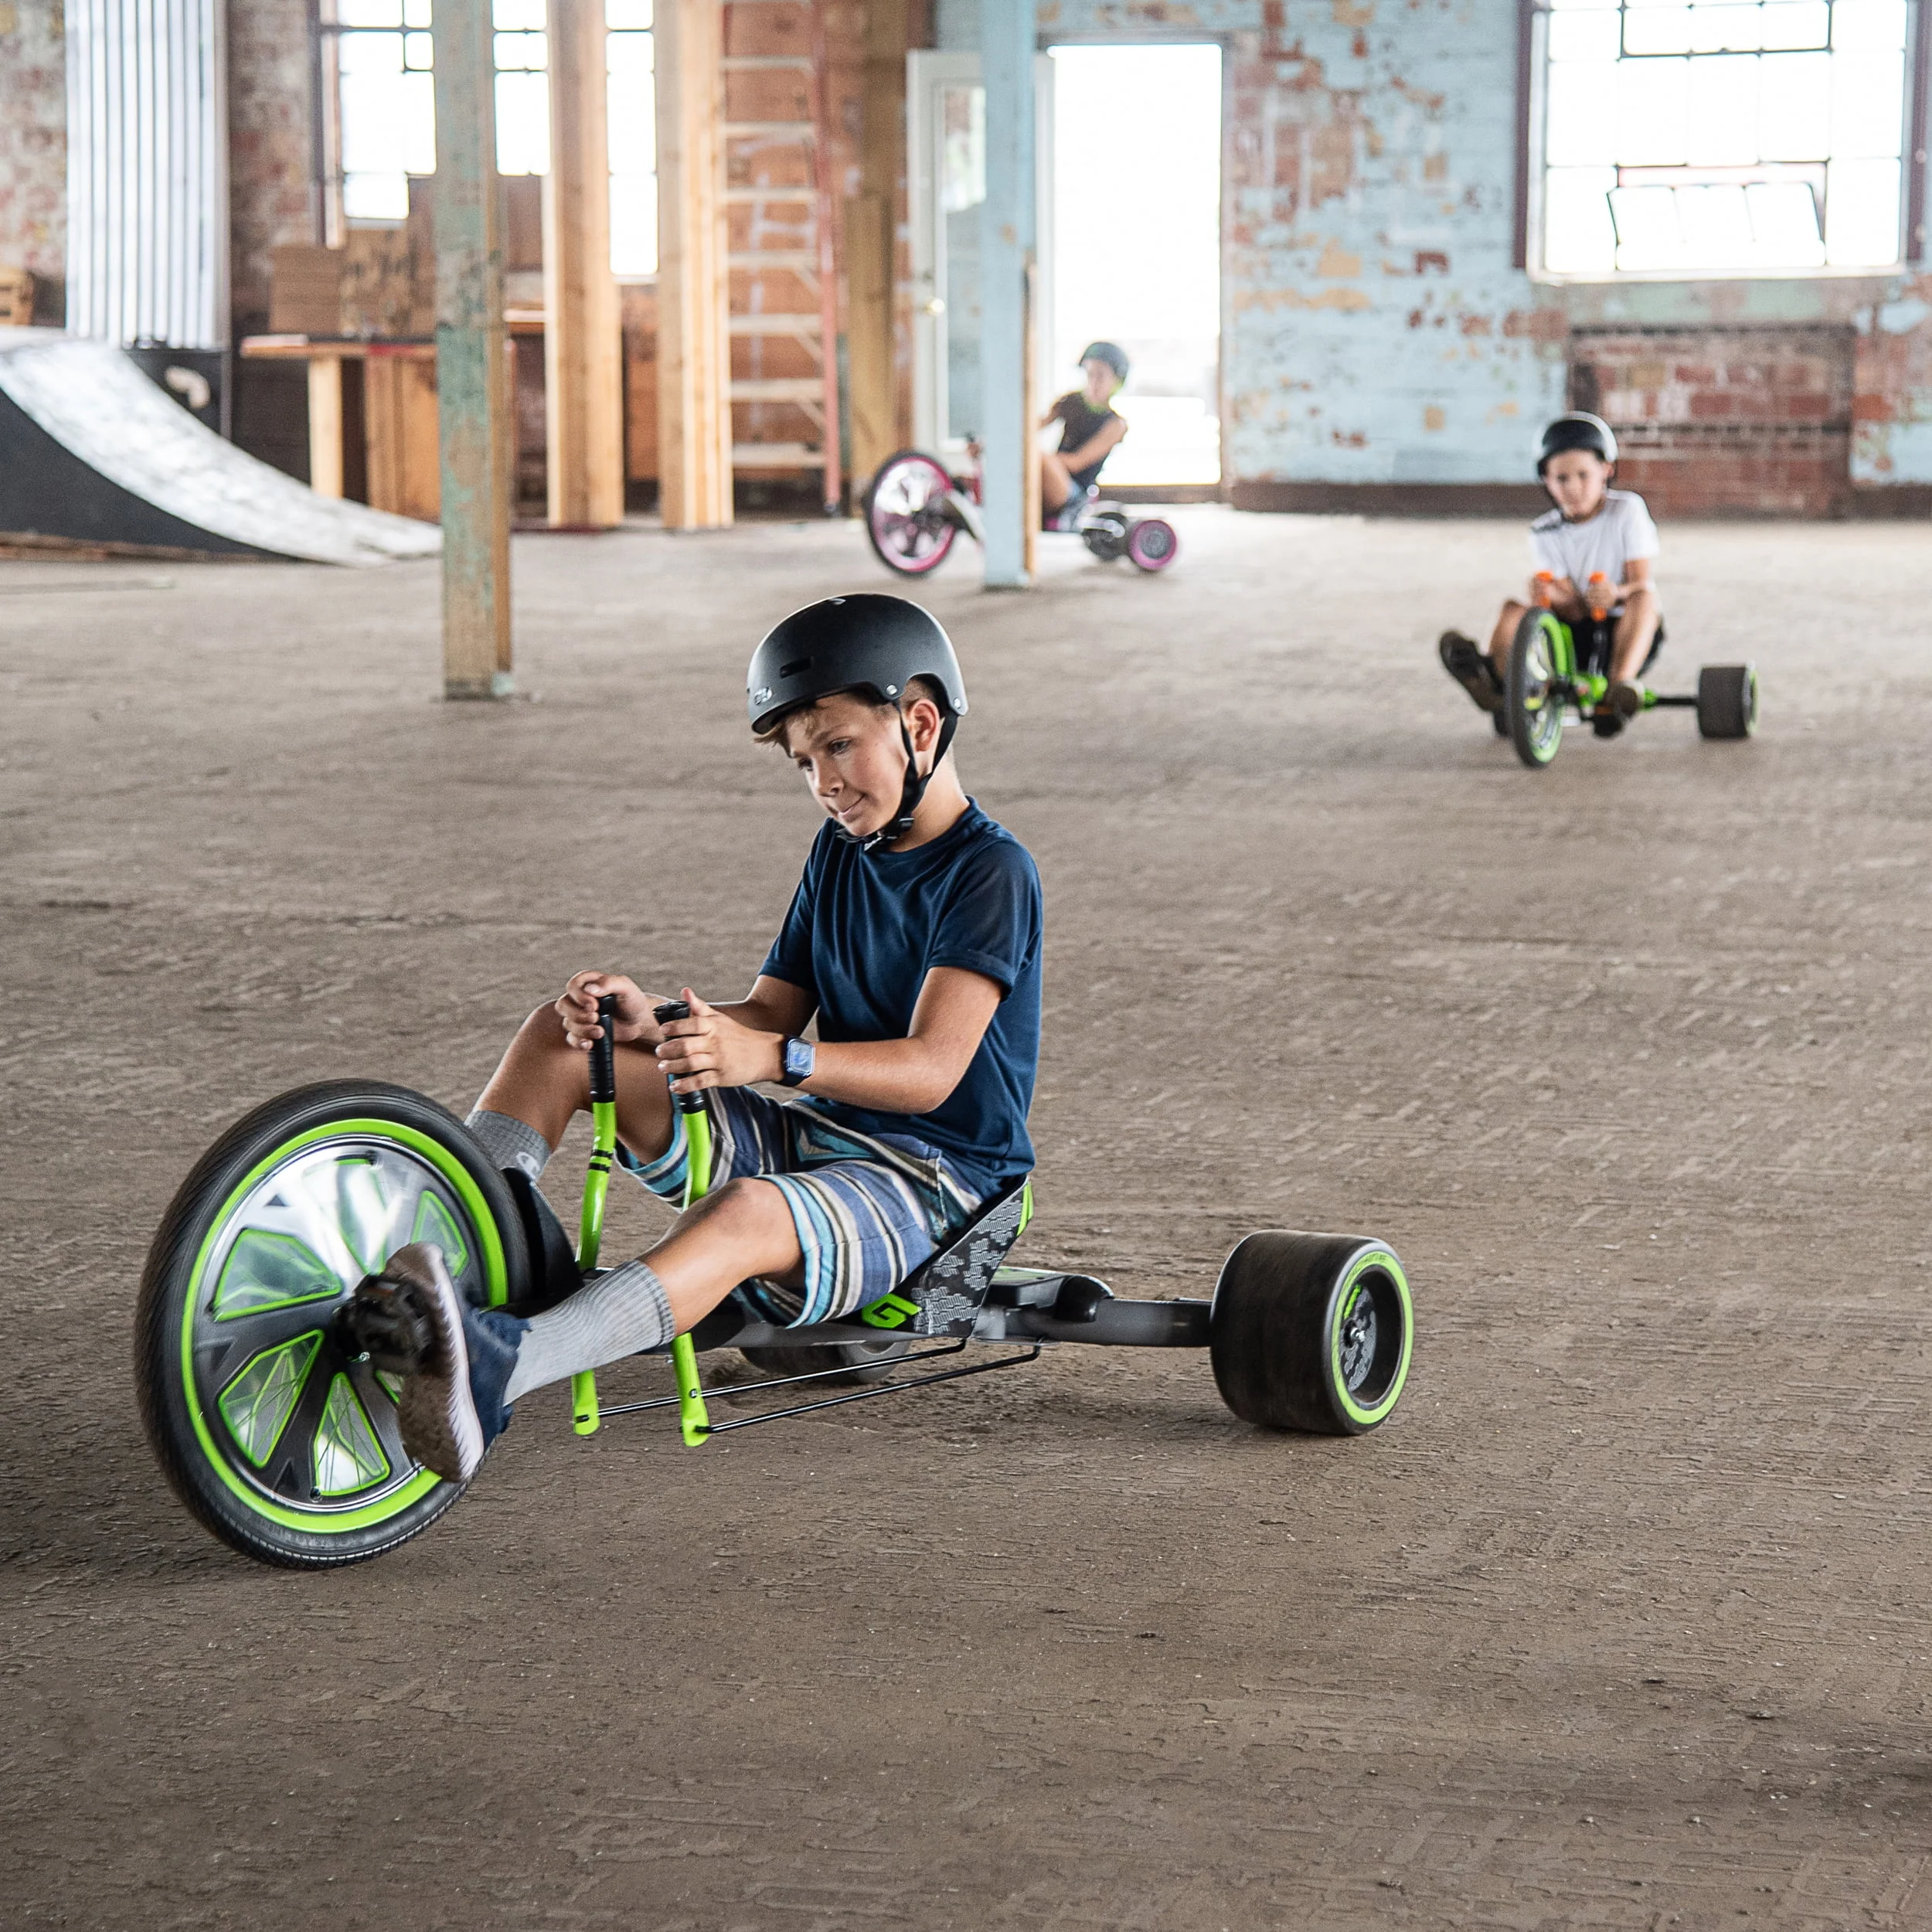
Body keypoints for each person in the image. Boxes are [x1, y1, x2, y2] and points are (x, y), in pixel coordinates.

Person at [359, 594, 1044, 1483]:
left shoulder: (991, 872)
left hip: (937, 1184)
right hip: (822, 1141)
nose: (824, 782)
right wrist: (657, 1021)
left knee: (747, 1210)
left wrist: (777, 1061)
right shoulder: (840, 851)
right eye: (805, 763)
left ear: (919, 725)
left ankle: (497, 1370)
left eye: (839, 746)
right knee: (563, 1040)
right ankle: (469, 1246)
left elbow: (931, 1071)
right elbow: (768, 1013)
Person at [1439, 412, 1663, 737]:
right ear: (1546, 480)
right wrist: (1551, 594)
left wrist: (1615, 593)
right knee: (1513, 610)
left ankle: (1619, 690)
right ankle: (1495, 683)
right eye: (1562, 479)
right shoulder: (1543, 531)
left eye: (1583, 475)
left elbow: (1640, 581)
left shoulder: (1626, 510)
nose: (1573, 488)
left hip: (1625, 631)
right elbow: (1572, 608)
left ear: (1606, 470)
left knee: (1645, 597)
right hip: (1572, 637)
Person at [1040, 341, 1131, 528]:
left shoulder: (1116, 424)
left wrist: (1040, 459)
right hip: (1053, 473)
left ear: (1117, 381)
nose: (1094, 382)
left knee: (1039, 459)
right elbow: (1033, 425)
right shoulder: (1070, 401)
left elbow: (1076, 462)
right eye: (1090, 374)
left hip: (1075, 493)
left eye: (1101, 376)